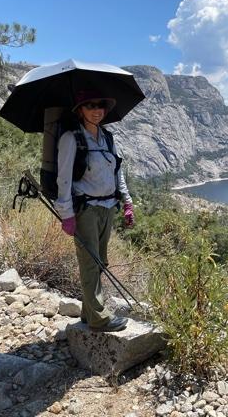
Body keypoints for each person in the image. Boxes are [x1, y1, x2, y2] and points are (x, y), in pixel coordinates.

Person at [54, 89, 135, 332]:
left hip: (108, 207)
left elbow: (117, 172)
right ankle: (100, 318)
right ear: (80, 110)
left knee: (100, 262)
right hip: (85, 209)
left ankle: (88, 313)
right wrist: (66, 214)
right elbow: (64, 178)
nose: (97, 110)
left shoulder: (108, 138)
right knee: (90, 262)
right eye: (91, 106)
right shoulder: (71, 139)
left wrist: (128, 202)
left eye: (101, 105)